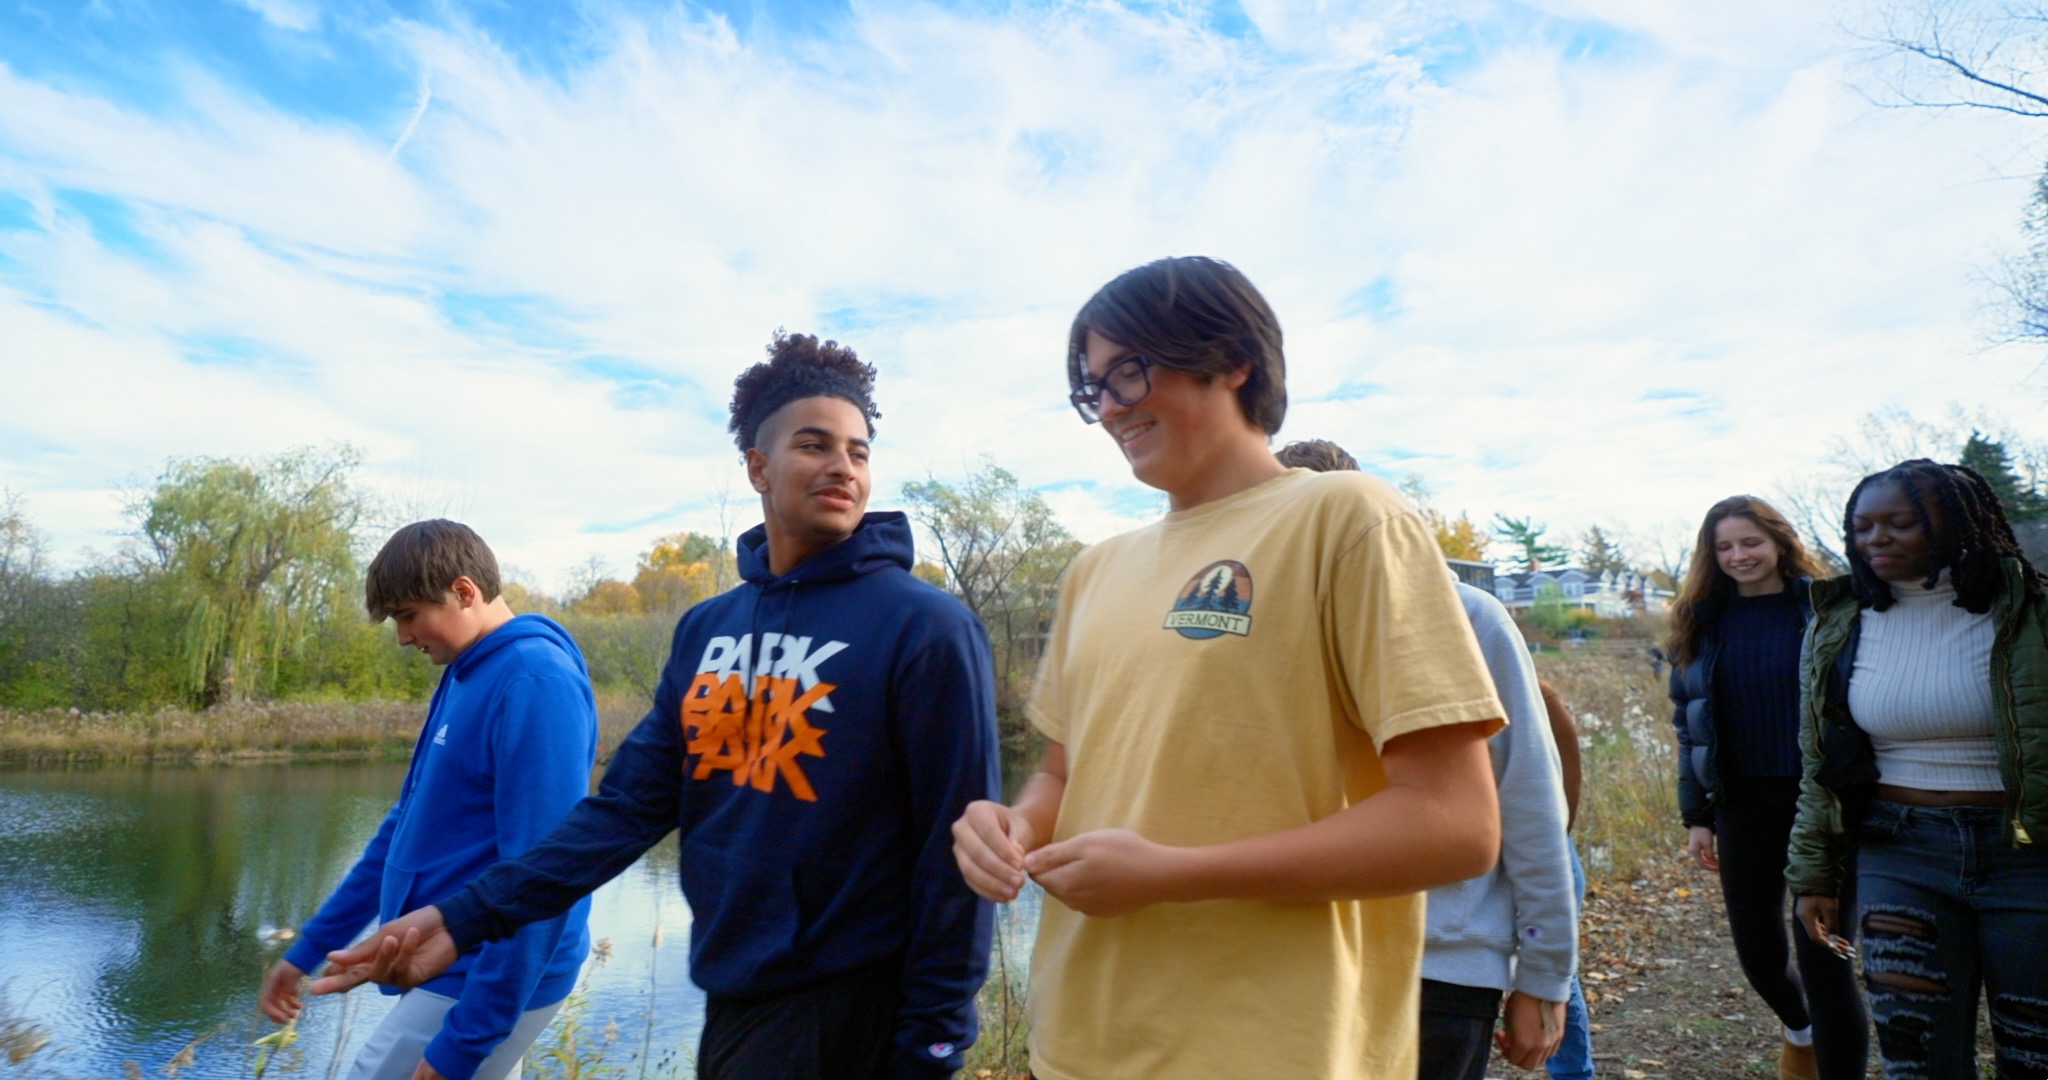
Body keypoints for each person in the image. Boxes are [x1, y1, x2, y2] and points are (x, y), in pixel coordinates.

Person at [313, 333, 1002, 1079]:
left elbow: (958, 854)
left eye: (859, 451)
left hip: (865, 1012)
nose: (843, 466)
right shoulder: (709, 631)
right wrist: (466, 916)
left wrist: (933, 1045)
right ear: (758, 467)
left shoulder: (926, 629)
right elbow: (625, 811)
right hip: (734, 997)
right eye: (815, 445)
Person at [950, 257, 1506, 1080]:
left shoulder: (1347, 518)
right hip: (1076, 1042)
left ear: (1232, 359)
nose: (1108, 407)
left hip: (1276, 1050)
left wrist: (1176, 876)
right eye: (1091, 389)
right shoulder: (1094, 570)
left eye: (1127, 372)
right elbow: (1062, 778)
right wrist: (1012, 827)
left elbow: (1455, 825)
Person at [1275, 437, 1578, 1079]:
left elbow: (1529, 801)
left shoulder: (1472, 621)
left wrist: (1546, 976)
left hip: (1439, 969)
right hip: (1296, 957)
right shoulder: (1267, 634)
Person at [256, 519, 599, 1080]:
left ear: (465, 592)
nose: (403, 637)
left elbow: (544, 878)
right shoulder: (467, 673)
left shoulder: (535, 682)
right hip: (453, 970)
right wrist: (310, 946)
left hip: (484, 976)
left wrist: (464, 1044)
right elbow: (405, 830)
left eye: (409, 615)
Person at [1789, 459, 2048, 1079]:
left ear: (1958, 524)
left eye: (1899, 523)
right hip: (1901, 853)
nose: (1875, 539)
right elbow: (1819, 762)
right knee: (1916, 1059)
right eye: (1862, 527)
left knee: (2034, 1055)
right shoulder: (1839, 624)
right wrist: (1814, 872)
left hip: (2030, 857)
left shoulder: (2031, 610)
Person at [1666, 495, 1865, 1080]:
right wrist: (1697, 815)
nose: (1738, 556)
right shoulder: (1702, 620)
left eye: (1750, 542)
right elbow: (1689, 727)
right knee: (1758, 958)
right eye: (1723, 546)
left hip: (1820, 806)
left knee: (1824, 961)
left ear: (1779, 542)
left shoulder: (1825, 611)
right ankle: (1799, 1030)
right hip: (1742, 807)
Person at [1537, 680, 1597, 1080]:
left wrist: (1553, 842)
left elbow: (1569, 769)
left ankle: (1573, 1074)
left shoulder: (1534, 690)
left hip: (1547, 853)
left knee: (1559, 974)